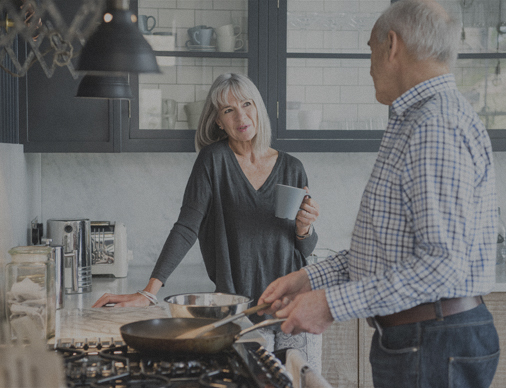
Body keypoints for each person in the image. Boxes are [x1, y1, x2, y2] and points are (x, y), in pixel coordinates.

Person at [257, 1, 500, 387]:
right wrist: (309, 277)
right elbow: (391, 249)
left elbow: (441, 265)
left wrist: (330, 305)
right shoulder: (417, 119)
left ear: (392, 45)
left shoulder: (434, 125)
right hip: (420, 339)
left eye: (369, 48)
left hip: (432, 342)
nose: (369, 65)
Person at [93, 73, 322, 369]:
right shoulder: (213, 162)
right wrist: (149, 292)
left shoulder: (293, 167)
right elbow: (187, 227)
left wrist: (306, 228)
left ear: (258, 107)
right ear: (218, 121)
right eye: (229, 110)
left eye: (247, 104)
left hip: (296, 308)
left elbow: (304, 248)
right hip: (242, 314)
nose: (241, 116)